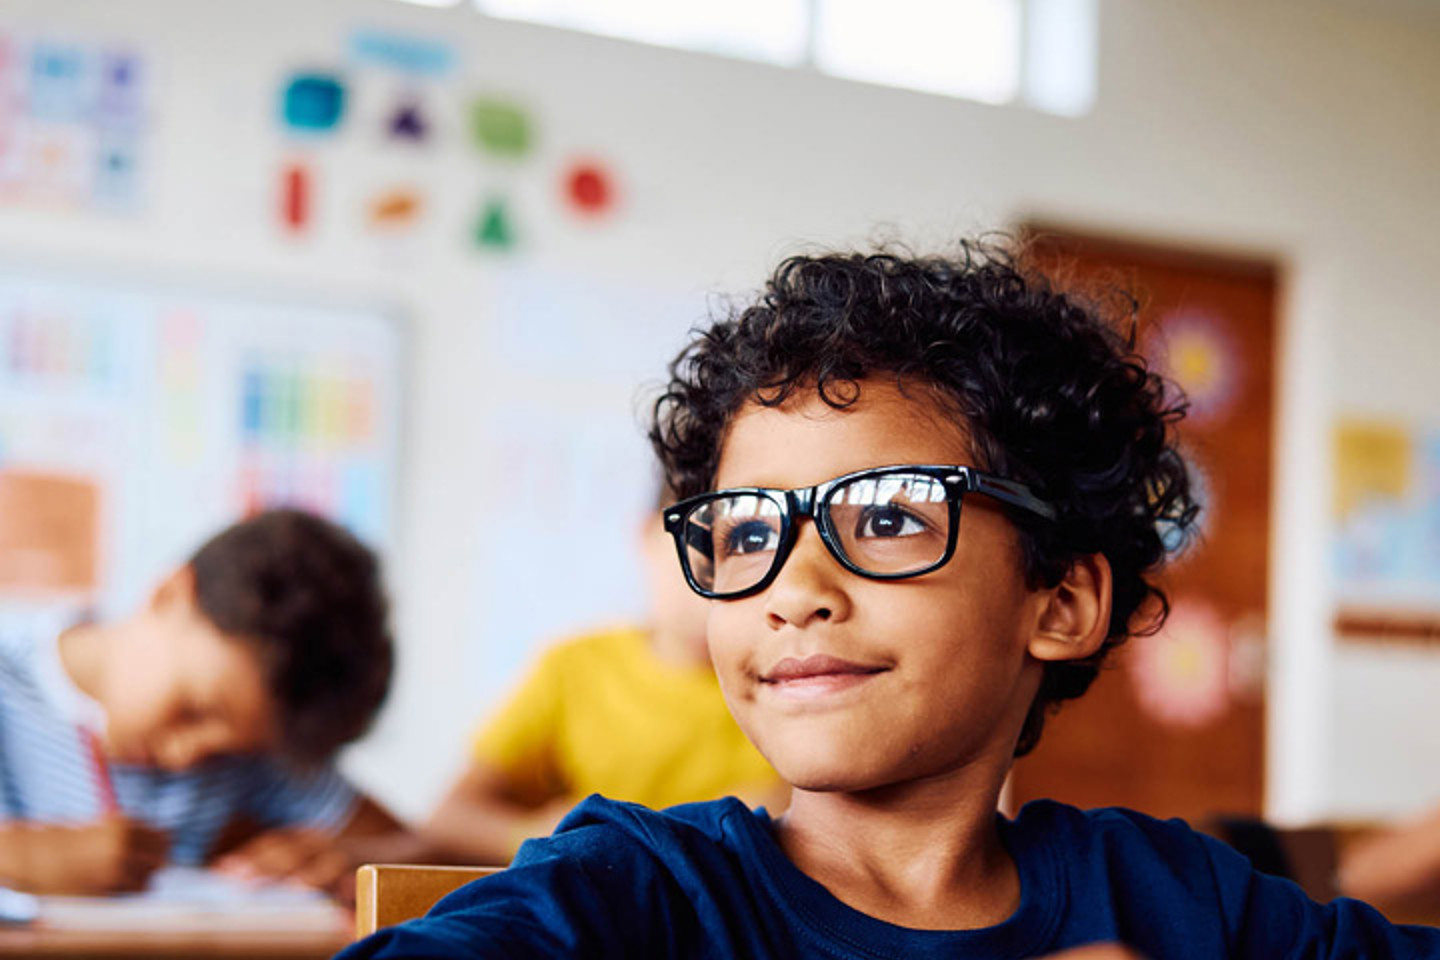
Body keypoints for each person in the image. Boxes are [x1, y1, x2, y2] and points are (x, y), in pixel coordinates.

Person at [340, 240, 1440, 957]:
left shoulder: (1184, 902)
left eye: (890, 517)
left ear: (1060, 601)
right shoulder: (633, 899)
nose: (793, 589)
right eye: (747, 533)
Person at [0, 508, 401, 897]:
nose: (185, 757)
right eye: (195, 710)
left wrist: (352, 857)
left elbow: (409, 848)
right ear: (169, 595)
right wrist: (18, 858)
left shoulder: (250, 751)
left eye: (231, 750)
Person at [421, 498, 783, 866]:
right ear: (646, 534)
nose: (712, 580)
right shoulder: (574, 669)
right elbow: (449, 819)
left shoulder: (788, 685)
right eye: (701, 547)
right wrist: (544, 835)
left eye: (746, 549)